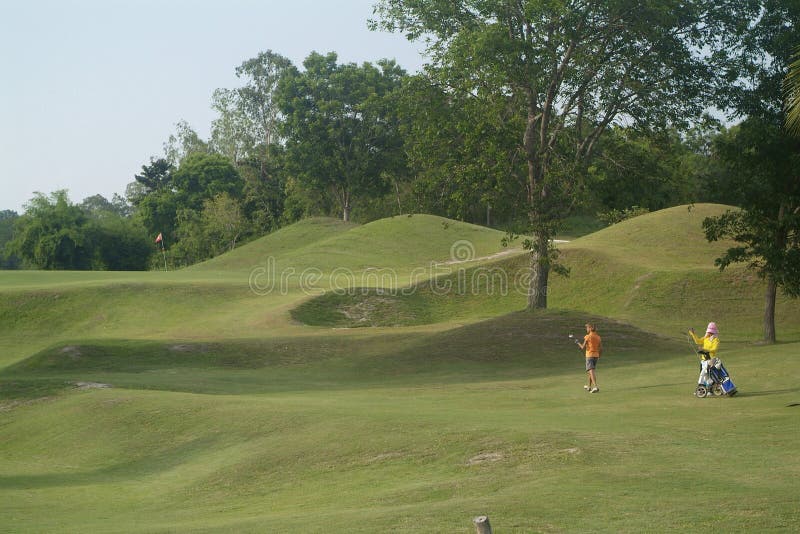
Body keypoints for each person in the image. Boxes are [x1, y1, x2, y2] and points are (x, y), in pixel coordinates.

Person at [689, 322, 720, 392]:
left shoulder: (716, 340)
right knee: (704, 375)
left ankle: (707, 389)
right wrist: (693, 334)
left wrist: (705, 349)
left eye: (711, 332)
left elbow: (714, 349)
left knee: (706, 374)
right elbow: (698, 341)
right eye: (709, 332)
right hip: (704, 360)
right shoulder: (706, 338)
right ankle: (704, 389)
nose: (710, 333)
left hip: (711, 360)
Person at [578, 322, 602, 393]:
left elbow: (582, 347)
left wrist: (577, 342)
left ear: (590, 328)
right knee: (591, 372)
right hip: (596, 356)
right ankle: (589, 387)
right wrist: (599, 355)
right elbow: (601, 348)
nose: (586, 329)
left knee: (591, 371)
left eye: (587, 328)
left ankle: (595, 387)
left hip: (589, 356)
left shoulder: (587, 336)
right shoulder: (598, 337)